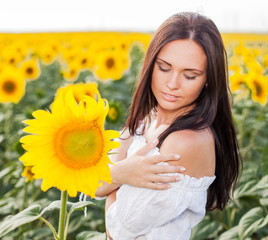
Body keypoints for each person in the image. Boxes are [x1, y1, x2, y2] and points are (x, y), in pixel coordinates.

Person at [95, 11, 241, 240]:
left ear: (208, 80)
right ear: (150, 64)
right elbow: (95, 186)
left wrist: (113, 178)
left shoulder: (184, 142)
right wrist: (121, 174)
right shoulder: (148, 119)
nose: (172, 84)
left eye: (190, 75)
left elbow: (119, 229)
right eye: (164, 68)